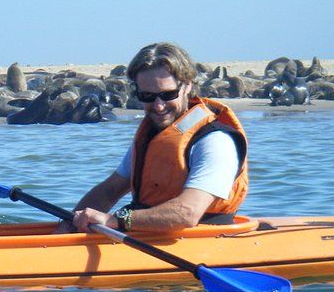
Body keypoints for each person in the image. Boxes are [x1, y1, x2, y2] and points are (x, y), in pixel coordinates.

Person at [69, 41, 247, 234]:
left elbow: (187, 213)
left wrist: (112, 220)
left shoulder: (215, 141)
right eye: (147, 96)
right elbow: (110, 190)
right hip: (145, 236)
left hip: (201, 241)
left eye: (168, 94)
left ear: (187, 86)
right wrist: (69, 225)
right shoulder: (152, 136)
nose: (159, 106)